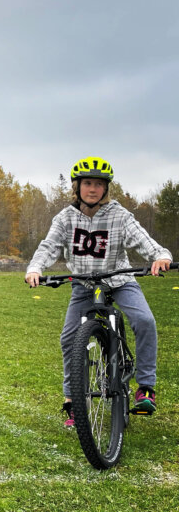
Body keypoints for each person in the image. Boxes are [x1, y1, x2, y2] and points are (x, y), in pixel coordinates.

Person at [25, 156, 172, 427]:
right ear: (77, 186)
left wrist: (160, 255)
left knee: (144, 321)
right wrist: (35, 268)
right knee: (69, 338)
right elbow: (49, 246)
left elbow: (143, 240)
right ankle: (72, 400)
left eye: (99, 184)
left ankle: (146, 387)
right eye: (87, 183)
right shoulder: (65, 218)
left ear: (106, 189)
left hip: (120, 281)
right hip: (83, 285)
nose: (92, 189)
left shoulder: (119, 214)